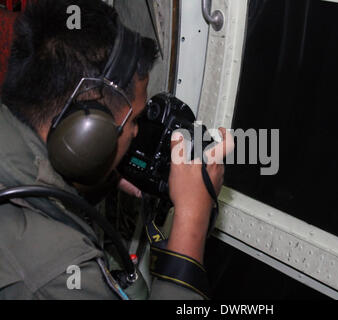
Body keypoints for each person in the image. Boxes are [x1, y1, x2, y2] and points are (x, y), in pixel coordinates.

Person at [0, 0, 231, 300]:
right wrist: (191, 218)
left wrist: (97, 175)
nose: (136, 132)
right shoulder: (57, 273)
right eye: (133, 120)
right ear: (88, 132)